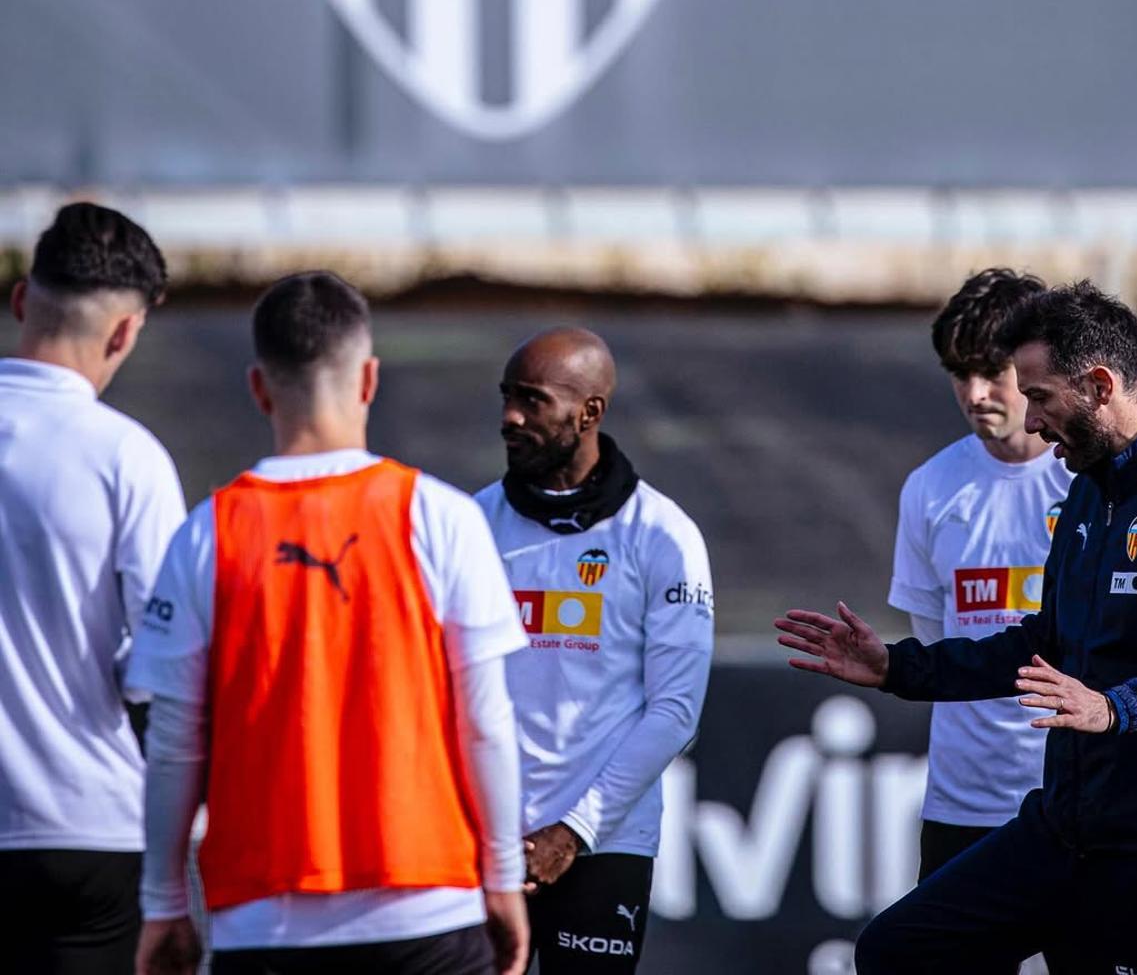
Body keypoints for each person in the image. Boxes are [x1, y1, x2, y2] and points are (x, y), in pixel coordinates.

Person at [777, 281, 1137, 975]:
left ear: (1098, 385)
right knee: (897, 948)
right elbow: (1041, 645)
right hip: (1061, 825)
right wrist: (898, 668)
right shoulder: (1090, 490)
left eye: (1039, 397)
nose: (1030, 422)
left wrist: (1114, 707)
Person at [127, 271, 530, 975]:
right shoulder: (441, 516)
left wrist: (163, 901)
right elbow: (487, 722)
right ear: (369, 379)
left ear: (258, 388)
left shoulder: (207, 534)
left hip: (262, 920)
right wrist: (501, 879)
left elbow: (174, 743)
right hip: (428, 906)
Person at [476, 328, 714, 972]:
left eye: (531, 400)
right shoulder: (468, 527)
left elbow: (675, 713)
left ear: (589, 413)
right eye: (506, 397)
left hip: (606, 842)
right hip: (480, 844)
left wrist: (573, 831)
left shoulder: (664, 536)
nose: (510, 417)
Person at [0, 200, 186, 975]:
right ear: (124, 332)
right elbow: (164, 661)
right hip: (82, 827)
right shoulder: (126, 457)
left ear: (20, 300)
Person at [890, 268, 1070, 892]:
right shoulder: (930, 488)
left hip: (1075, 801)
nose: (975, 394)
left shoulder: (1092, 482)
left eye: (993, 373)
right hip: (963, 805)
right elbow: (941, 654)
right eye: (959, 375)